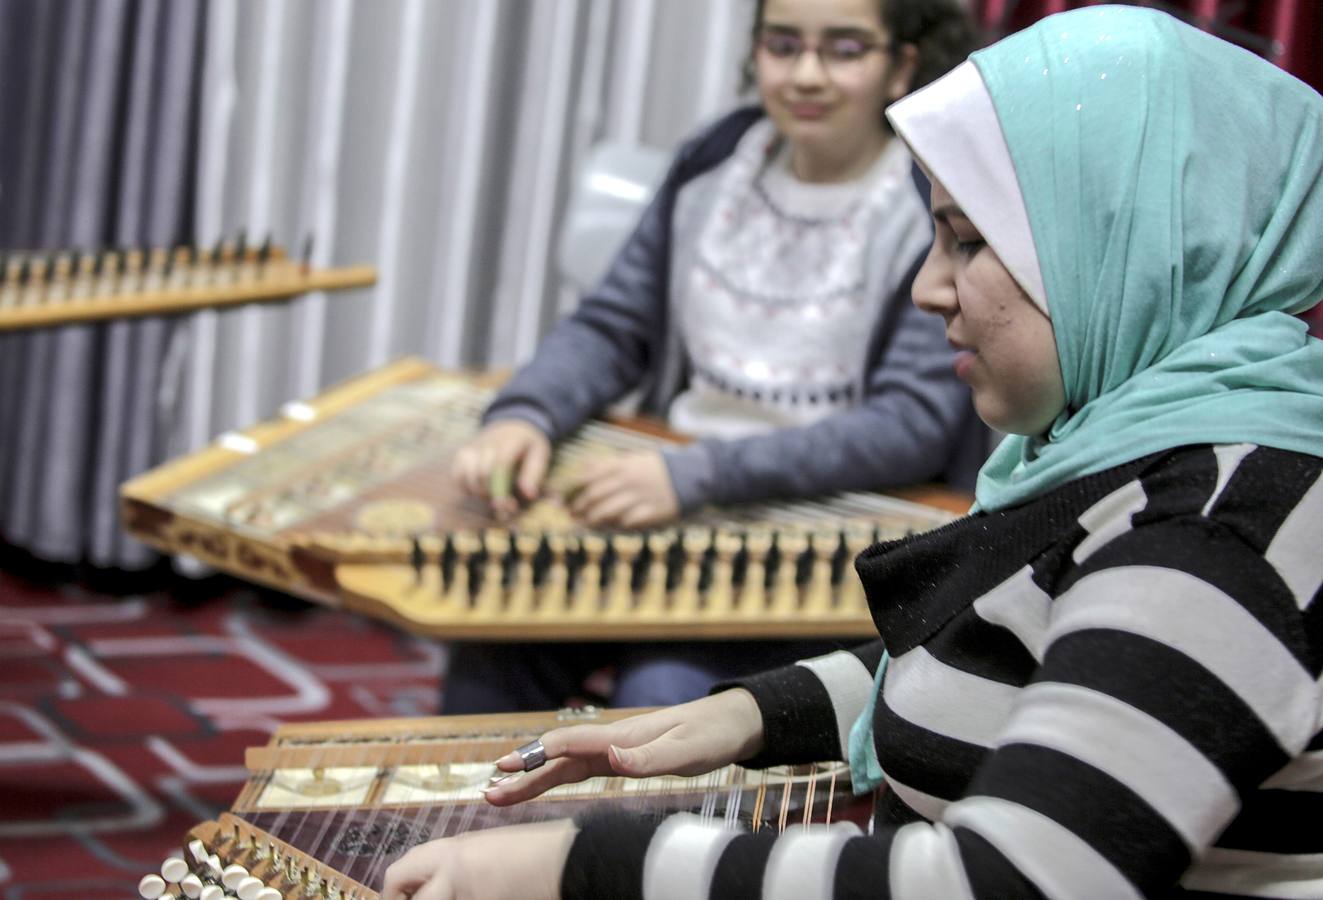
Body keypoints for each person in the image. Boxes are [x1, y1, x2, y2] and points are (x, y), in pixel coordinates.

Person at [384, 5, 1323, 898]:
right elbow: (1003, 663)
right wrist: (750, 713)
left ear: (1125, 248)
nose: (928, 288)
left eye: (965, 241)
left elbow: (1010, 882)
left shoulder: (1206, 536)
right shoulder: (1122, 438)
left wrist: (590, 865)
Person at [441, 0, 981, 714]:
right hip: (672, 501)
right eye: (782, 45)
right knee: (490, 643)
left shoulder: (927, 200)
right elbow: (612, 325)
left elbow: (908, 425)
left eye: (844, 50)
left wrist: (698, 473)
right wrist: (525, 413)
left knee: (665, 692)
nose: (805, 75)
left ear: (900, 66)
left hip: (819, 539)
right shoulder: (718, 157)